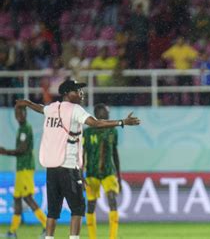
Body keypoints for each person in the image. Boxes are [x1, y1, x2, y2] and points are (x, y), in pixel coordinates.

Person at [14, 79, 141, 239]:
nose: (82, 93)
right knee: (78, 209)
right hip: (68, 168)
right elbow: (95, 123)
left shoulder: (52, 108)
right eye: (78, 90)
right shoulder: (75, 110)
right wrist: (122, 122)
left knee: (52, 212)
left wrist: (26, 102)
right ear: (67, 93)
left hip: (52, 170)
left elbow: (40, 108)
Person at [0, 106, 47, 238]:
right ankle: (12, 231)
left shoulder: (26, 128)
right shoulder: (21, 128)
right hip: (21, 168)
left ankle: (47, 226)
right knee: (17, 199)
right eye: (16, 114)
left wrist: (5, 152)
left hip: (26, 168)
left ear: (25, 114)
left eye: (20, 113)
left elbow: (22, 149)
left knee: (27, 197)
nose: (18, 116)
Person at [83, 103, 121, 239]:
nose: (107, 115)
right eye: (105, 112)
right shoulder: (87, 132)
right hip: (92, 172)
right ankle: (92, 237)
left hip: (108, 172)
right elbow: (81, 154)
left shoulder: (113, 131)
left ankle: (113, 237)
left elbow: (115, 154)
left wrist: (119, 178)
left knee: (112, 199)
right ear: (97, 114)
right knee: (91, 205)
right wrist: (80, 175)